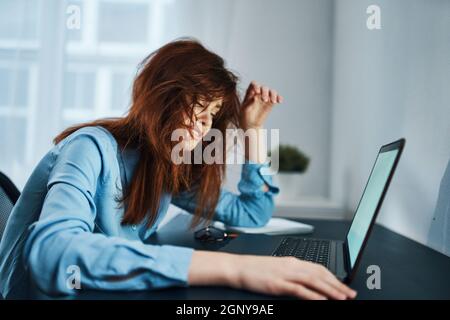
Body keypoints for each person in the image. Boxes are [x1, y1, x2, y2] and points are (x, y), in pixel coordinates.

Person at [0, 38, 356, 300]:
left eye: (212, 115)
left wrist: (254, 132)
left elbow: (253, 213)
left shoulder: (167, 168)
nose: (204, 126)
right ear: (161, 98)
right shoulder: (89, 146)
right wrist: (238, 268)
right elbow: (52, 254)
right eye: (198, 109)